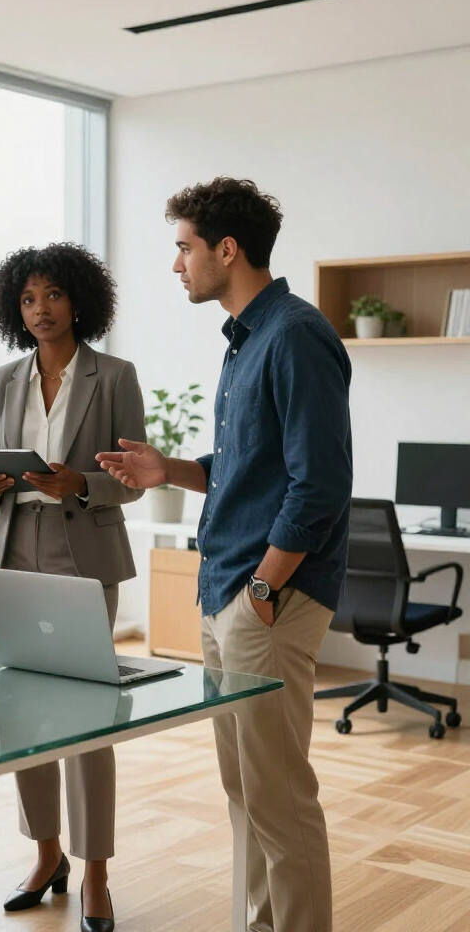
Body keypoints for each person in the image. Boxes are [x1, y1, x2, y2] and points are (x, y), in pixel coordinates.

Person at [99, 177, 352, 932]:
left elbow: (319, 485)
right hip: (227, 588)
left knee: (279, 797)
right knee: (245, 791)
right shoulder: (246, 340)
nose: (177, 265)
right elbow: (249, 464)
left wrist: (265, 593)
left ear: (227, 249)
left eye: (184, 248)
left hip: (263, 596)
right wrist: (168, 471)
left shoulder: (295, 335)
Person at [0, 242, 146, 932]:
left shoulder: (114, 377)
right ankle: (46, 855)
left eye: (52, 295)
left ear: (78, 300)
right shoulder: (2, 379)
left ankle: (96, 873)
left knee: (88, 718)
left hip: (83, 551)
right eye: (27, 299)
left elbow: (134, 478)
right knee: (23, 713)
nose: (40, 310)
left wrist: (77, 482)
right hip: (15, 549)